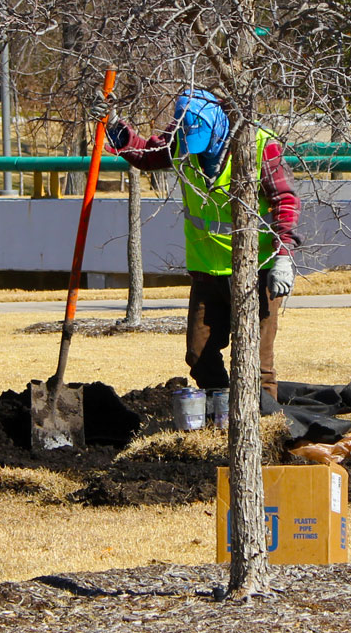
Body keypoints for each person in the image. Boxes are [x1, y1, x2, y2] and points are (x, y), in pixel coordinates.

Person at [90, 87, 300, 399]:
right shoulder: (181, 143)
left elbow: (285, 200)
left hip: (257, 271)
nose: (194, 151)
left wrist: (283, 255)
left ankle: (262, 426)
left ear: (216, 127)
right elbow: (147, 155)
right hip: (206, 270)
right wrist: (114, 124)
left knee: (256, 363)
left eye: (200, 144)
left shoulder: (258, 146)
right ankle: (222, 415)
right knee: (199, 357)